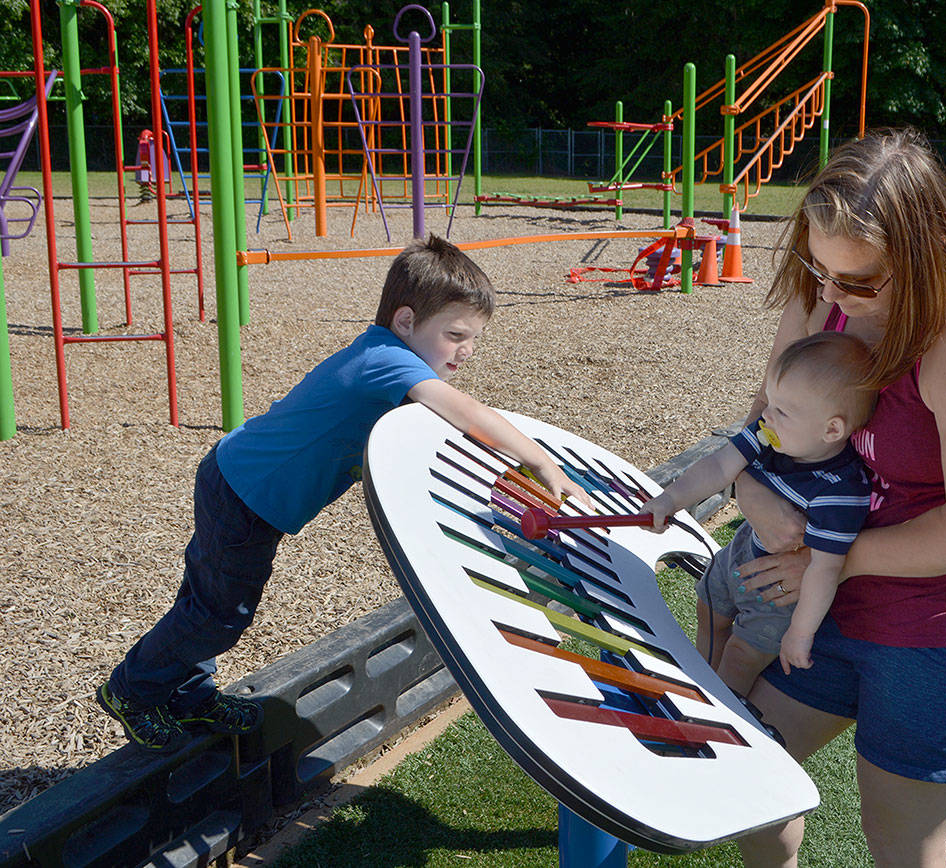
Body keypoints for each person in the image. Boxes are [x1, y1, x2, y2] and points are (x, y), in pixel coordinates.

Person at [96, 235, 589, 752]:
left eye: (474, 338)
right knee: (220, 614)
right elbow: (465, 412)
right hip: (245, 491)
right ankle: (133, 689)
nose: (467, 350)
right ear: (405, 322)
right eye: (455, 334)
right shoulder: (387, 360)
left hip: (242, 481)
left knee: (210, 601)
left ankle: (189, 694)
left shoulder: (388, 360)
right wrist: (539, 460)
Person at [721, 129, 946, 867]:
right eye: (819, 267)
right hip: (838, 592)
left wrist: (825, 562)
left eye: (860, 282)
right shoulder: (829, 287)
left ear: (927, 250)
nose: (831, 296)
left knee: (900, 839)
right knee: (749, 780)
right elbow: (765, 419)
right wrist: (747, 486)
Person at [642, 331, 876, 696]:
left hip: (779, 593)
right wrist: (669, 499)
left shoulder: (840, 492)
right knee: (709, 612)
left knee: (739, 657)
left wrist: (800, 633)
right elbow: (720, 466)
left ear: (832, 429)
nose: (766, 414)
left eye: (782, 410)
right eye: (770, 401)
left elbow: (825, 568)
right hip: (739, 553)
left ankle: (714, 716)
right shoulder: (770, 435)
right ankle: (701, 685)